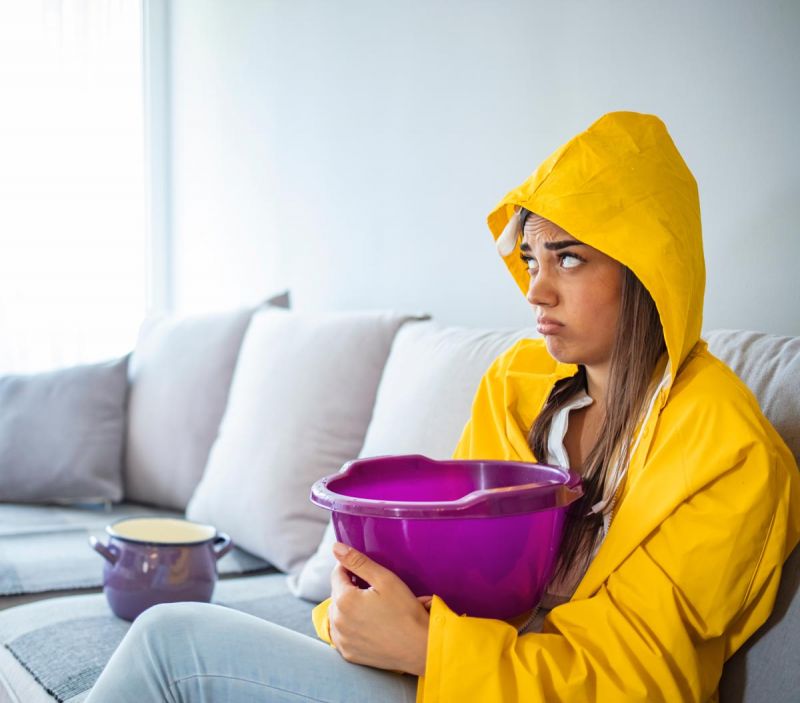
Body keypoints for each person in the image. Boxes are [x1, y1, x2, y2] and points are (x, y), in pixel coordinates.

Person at [86, 111, 800, 702]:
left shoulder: (729, 456)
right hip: (440, 678)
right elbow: (453, 566)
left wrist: (428, 646)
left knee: (169, 643)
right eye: (531, 259)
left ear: (648, 270)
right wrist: (364, 602)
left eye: (569, 258)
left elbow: (643, 679)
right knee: (168, 639)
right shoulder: (520, 384)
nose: (536, 290)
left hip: (463, 678)